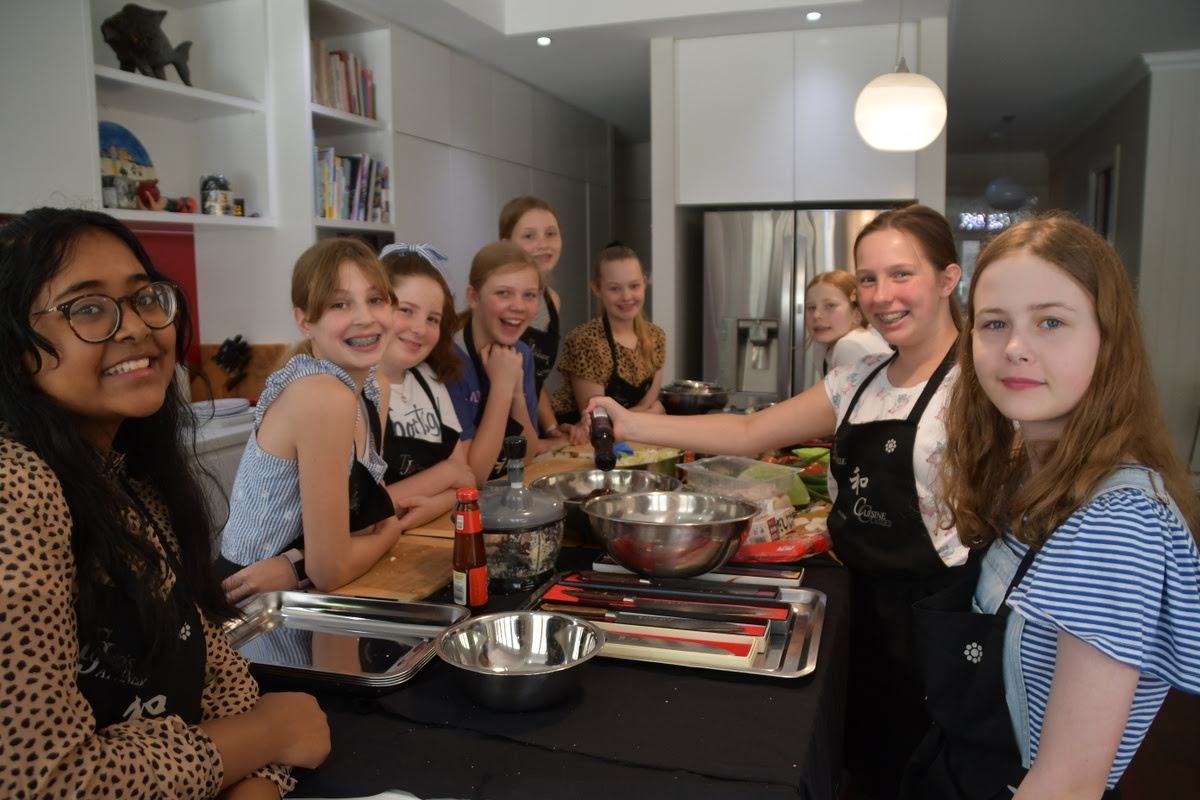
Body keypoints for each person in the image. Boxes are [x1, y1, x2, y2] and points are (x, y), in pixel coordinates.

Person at [587, 204, 969, 799]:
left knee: (930, 772)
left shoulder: (979, 382)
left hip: (938, 615)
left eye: (902, 274)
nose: (882, 295)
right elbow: (749, 432)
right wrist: (631, 421)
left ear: (947, 279)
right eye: (868, 279)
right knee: (869, 766)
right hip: (857, 601)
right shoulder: (859, 379)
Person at [0, 207, 328, 798]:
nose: (135, 327)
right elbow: (41, 780)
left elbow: (217, 675)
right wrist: (270, 734)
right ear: (17, 347)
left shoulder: (133, 477)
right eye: (88, 307)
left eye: (145, 297)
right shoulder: (15, 489)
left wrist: (263, 771)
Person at [901, 214, 1200, 800]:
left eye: (1051, 322)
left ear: (1108, 341)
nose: (1015, 348)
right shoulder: (1027, 471)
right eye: (994, 323)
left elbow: (1068, 783)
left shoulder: (1117, 524)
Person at [219, 238, 403, 601]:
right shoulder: (322, 395)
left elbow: (366, 522)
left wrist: (298, 564)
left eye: (376, 299)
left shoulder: (374, 388)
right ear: (305, 321)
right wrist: (390, 535)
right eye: (339, 304)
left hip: (304, 592)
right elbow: (330, 569)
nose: (365, 317)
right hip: (253, 607)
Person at [376, 242, 475, 528]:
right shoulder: (352, 392)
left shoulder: (430, 380)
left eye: (433, 319)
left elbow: (468, 479)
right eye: (406, 310)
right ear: (376, 307)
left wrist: (436, 504)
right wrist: (446, 475)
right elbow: (362, 514)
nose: (419, 329)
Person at [446, 241, 547, 483]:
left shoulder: (521, 354)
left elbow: (527, 456)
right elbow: (475, 475)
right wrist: (502, 386)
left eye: (529, 295)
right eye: (503, 293)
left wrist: (517, 396)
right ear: (473, 297)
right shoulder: (448, 359)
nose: (518, 306)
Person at [552, 242, 666, 422]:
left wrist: (650, 412)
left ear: (644, 283)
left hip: (632, 434)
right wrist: (655, 413)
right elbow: (597, 419)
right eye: (615, 288)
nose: (626, 296)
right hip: (578, 435)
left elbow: (647, 403)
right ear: (597, 288)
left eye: (634, 286)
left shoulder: (656, 337)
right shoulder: (586, 341)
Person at [499, 195, 576, 440]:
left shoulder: (552, 300)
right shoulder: (498, 303)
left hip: (530, 427)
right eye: (529, 236)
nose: (543, 244)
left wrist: (551, 428)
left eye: (551, 234)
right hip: (495, 429)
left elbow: (534, 378)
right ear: (506, 244)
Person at [805, 270, 891, 376]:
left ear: (857, 315)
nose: (816, 315)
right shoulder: (824, 346)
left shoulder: (849, 345)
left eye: (830, 305)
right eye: (811, 307)